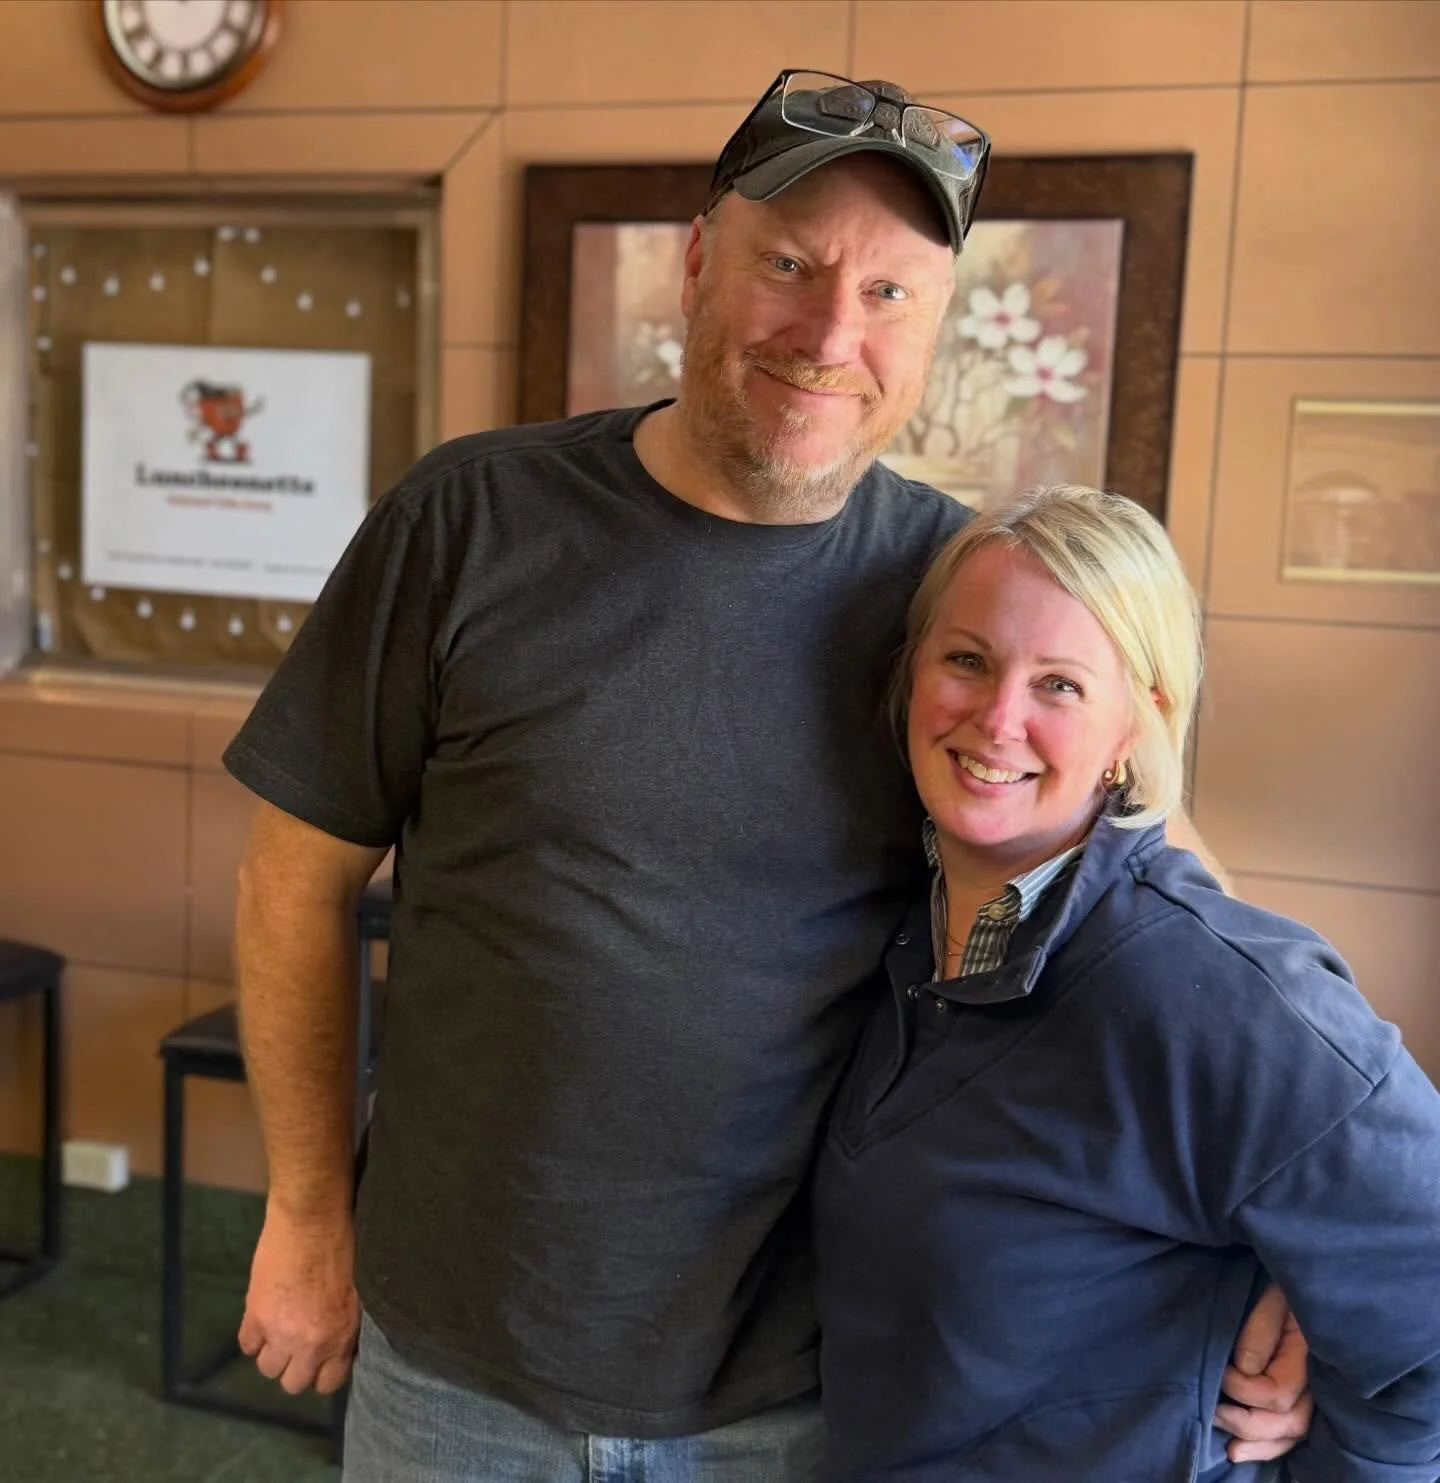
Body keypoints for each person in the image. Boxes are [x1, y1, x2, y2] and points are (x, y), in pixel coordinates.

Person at [225, 70, 1309, 1479]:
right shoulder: (470, 520)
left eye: (888, 295)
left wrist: (1300, 1235)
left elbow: (1181, 915)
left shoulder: (966, 596)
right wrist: (307, 1212)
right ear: (694, 263)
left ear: (935, 328)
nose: (828, 333)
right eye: (789, 265)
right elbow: (289, 878)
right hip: (460, 1361)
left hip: (797, 1383)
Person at [813, 483, 1440, 1481]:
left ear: (1135, 726)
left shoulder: (1210, 989)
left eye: (1059, 684)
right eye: (967, 660)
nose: (998, 717)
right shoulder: (908, 934)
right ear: (910, 679)